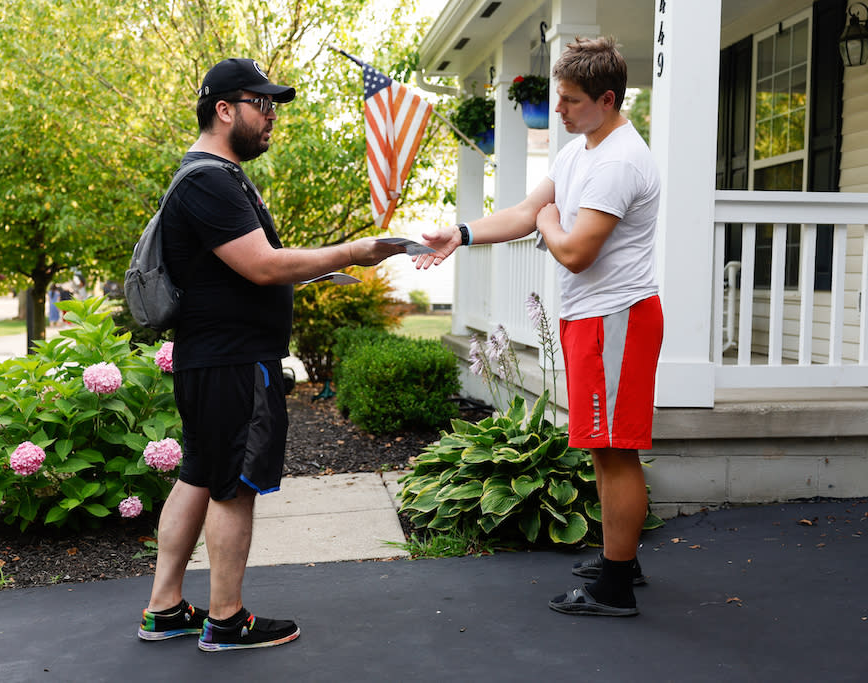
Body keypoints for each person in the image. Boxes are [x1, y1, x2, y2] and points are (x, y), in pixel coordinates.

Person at [136, 57, 404, 652]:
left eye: (273, 106)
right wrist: (351, 251)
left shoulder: (215, 178)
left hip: (215, 358)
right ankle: (227, 620)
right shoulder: (209, 180)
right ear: (224, 109)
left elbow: (240, 270)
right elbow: (260, 265)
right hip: (232, 362)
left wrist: (306, 276)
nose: (272, 118)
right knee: (232, 484)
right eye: (263, 105)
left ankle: (164, 608)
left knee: (200, 475)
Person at [416, 36, 662, 617]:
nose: (558, 111)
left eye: (571, 101)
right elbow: (528, 212)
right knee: (603, 449)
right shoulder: (580, 149)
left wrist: (551, 223)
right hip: (590, 319)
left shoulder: (620, 160)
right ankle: (617, 557)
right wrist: (462, 233)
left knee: (616, 449)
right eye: (558, 97)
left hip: (615, 319)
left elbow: (572, 251)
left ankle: (617, 586)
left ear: (606, 99)